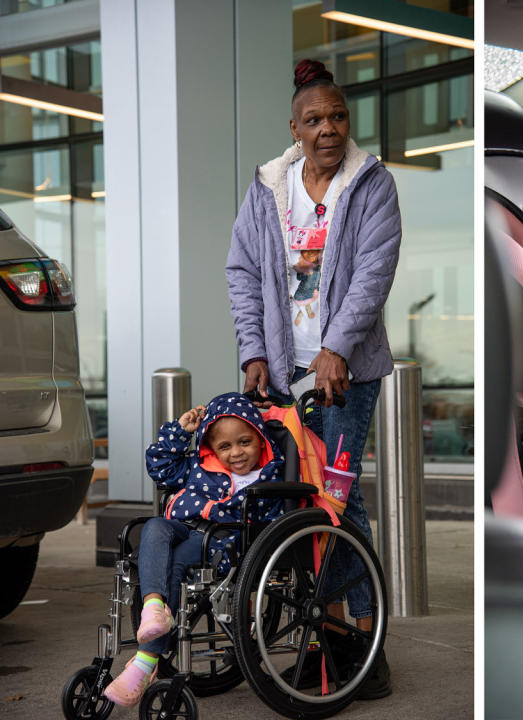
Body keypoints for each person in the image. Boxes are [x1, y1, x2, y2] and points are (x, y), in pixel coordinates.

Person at [225, 58, 400, 697]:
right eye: (315, 119)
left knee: (339, 496)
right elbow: (243, 272)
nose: (329, 128)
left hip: (346, 374)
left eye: (338, 116)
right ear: (293, 128)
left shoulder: (371, 183)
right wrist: (254, 353)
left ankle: (360, 641)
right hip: (284, 370)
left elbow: (373, 273)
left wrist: (336, 349)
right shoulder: (270, 187)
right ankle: (327, 637)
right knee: (304, 501)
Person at [103, 392, 284, 707]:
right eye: (224, 447)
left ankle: (146, 660)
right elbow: (159, 467)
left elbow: (272, 522)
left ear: (260, 437)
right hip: (182, 527)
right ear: (212, 448)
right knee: (153, 528)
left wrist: (216, 510)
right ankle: (154, 608)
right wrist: (179, 431)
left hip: (221, 542)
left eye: (245, 442)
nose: (236, 453)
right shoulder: (200, 466)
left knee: (173, 565)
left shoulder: (267, 478)